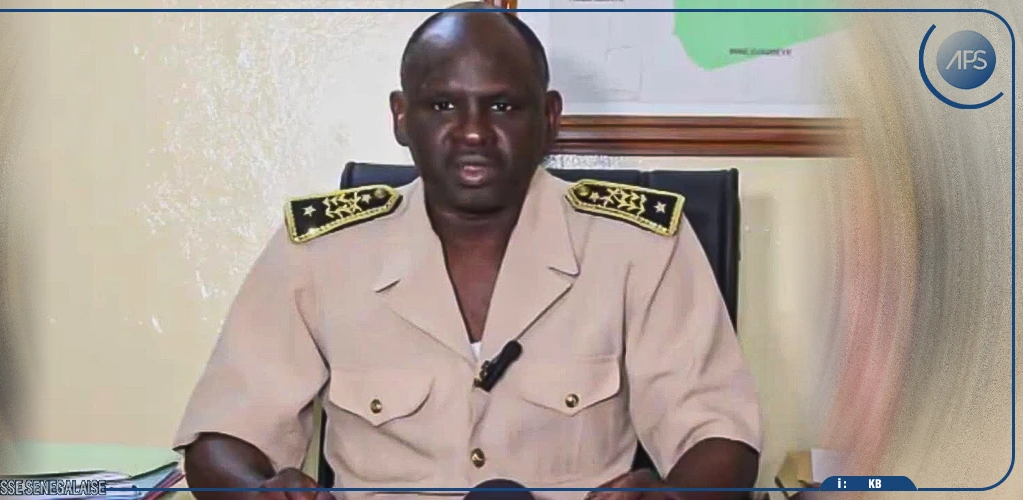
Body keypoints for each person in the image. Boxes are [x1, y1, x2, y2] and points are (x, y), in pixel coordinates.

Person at [173, 4, 761, 500]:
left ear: (549, 117)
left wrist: (677, 496)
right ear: (401, 117)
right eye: (442, 106)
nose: (474, 131)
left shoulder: (640, 247)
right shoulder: (322, 253)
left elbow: (720, 436)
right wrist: (256, 491)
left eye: (502, 106)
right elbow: (223, 437)